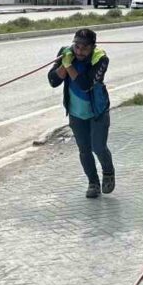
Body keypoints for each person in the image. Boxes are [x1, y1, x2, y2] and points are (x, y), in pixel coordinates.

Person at [48, 28, 114, 199]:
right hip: (76, 112)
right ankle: (93, 183)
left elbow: (85, 84)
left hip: (97, 110)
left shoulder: (101, 59)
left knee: (98, 147)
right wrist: (64, 63)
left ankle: (108, 172)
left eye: (84, 48)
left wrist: (68, 65)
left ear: (93, 47)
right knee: (84, 150)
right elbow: (53, 81)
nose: (79, 52)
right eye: (77, 47)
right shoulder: (66, 54)